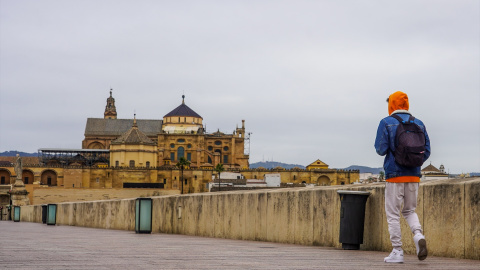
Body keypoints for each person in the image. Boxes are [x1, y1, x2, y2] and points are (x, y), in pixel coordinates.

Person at [374, 91, 430, 263]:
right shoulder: (419, 123)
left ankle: (397, 251)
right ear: (406, 104)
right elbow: (426, 152)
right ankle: (418, 234)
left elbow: (380, 149)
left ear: (391, 104)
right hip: (413, 175)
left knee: (393, 213)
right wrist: (411, 163)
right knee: (409, 210)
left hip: (394, 175)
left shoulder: (386, 122)